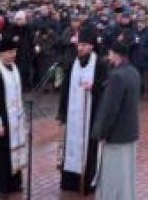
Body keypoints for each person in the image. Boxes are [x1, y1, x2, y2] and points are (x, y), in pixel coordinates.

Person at [57, 29, 109, 195]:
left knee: (89, 149)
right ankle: (70, 181)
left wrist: (94, 87)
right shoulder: (72, 62)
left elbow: (105, 88)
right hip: (73, 115)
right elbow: (65, 89)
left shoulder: (100, 64)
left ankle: (87, 182)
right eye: (79, 44)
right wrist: (62, 113)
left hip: (91, 115)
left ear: (91, 47)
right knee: (71, 146)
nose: (80, 48)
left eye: (84, 45)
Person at [92, 41, 140, 200]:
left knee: (112, 177)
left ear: (116, 54)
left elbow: (110, 108)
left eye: (110, 53)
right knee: (126, 175)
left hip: (116, 136)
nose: (108, 56)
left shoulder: (117, 76)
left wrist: (101, 132)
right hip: (130, 132)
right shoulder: (133, 72)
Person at [0, 29, 27, 198]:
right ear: (1, 53)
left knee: (12, 151)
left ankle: (13, 182)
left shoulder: (14, 68)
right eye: (9, 52)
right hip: (0, 120)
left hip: (14, 118)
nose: (13, 55)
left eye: (14, 51)